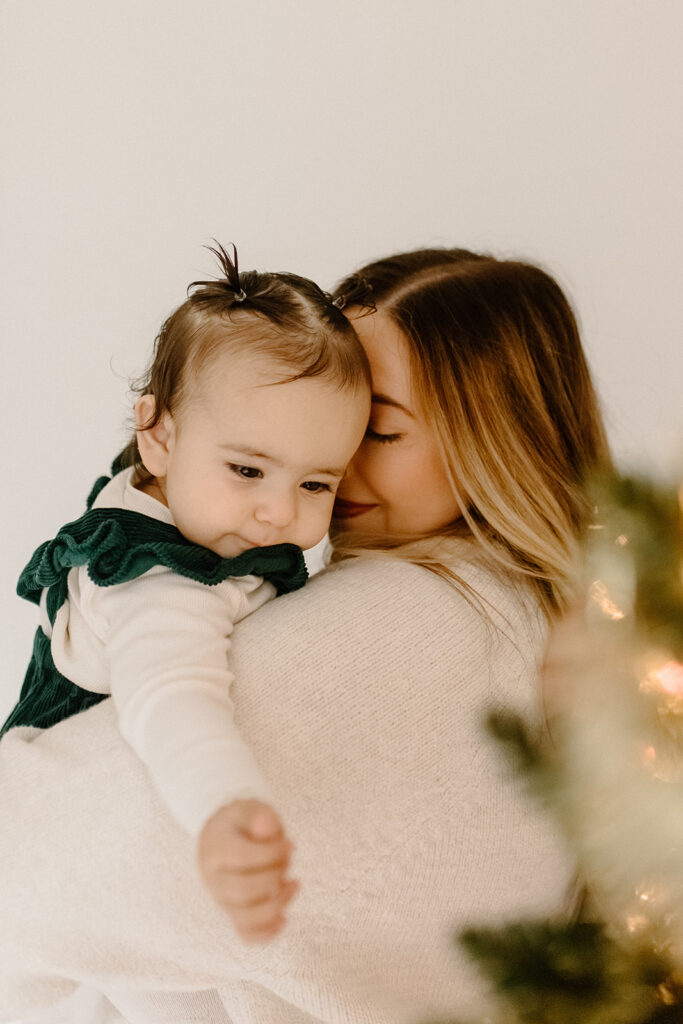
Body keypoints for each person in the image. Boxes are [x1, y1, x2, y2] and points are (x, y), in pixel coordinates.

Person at [0, 246, 611, 1024]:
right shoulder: (538, 624)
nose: (326, 467)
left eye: (375, 433)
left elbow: (36, 849)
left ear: (493, 442)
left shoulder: (411, 627)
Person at [0, 242, 371, 942]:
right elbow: (170, 696)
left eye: (316, 483)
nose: (279, 513)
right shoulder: (161, 580)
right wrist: (224, 807)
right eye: (247, 469)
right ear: (157, 436)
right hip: (79, 854)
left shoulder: (165, 498)